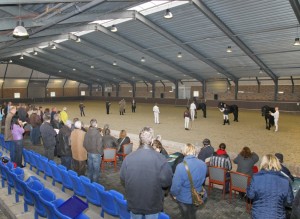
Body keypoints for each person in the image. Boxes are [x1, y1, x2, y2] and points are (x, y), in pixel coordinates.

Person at [120, 126, 173, 219]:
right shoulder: (161, 159)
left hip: (134, 201)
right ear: (152, 140)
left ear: (140, 140)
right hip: (153, 203)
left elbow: (123, 178)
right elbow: (166, 182)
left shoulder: (128, 158)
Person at [247, 154, 294, 219]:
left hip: (259, 215)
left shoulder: (256, 177)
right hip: (278, 215)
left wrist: (248, 187)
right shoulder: (285, 180)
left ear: (263, 163)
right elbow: (289, 202)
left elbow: (250, 195)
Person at [170, 143, 207, 219]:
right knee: (192, 214)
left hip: (184, 198)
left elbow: (176, 185)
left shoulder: (181, 166)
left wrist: (174, 194)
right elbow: (203, 179)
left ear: (184, 152)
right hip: (198, 195)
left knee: (186, 215)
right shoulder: (203, 164)